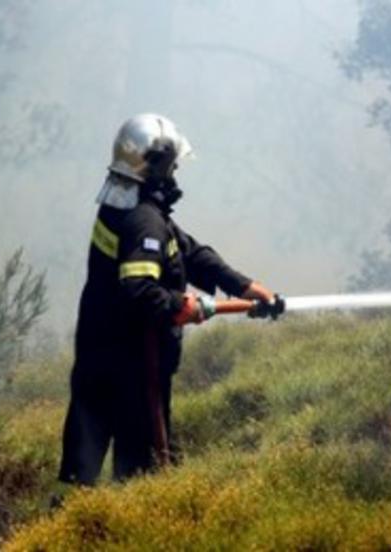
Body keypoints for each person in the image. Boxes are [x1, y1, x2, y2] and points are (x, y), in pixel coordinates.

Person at [58, 113, 276, 486]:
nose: (175, 173)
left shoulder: (123, 203)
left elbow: (185, 252)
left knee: (81, 466)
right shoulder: (144, 220)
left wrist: (242, 285)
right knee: (142, 477)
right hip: (134, 369)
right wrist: (182, 306)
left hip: (98, 359)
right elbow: (140, 291)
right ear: (155, 164)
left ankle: (61, 532)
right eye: (172, 165)